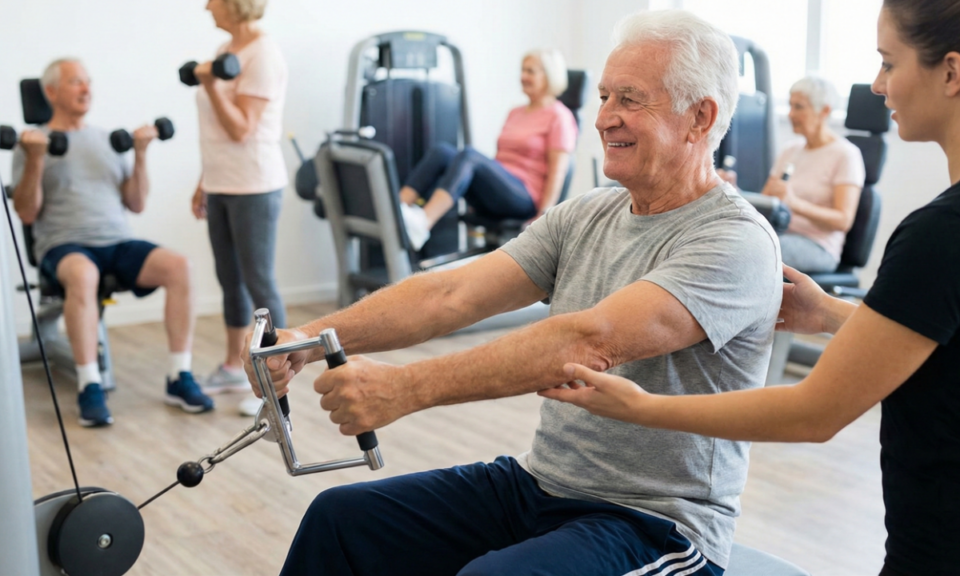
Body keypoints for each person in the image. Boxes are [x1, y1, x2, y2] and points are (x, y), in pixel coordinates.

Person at [248, 11, 781, 575]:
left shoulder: (735, 241)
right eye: (603, 96)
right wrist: (305, 339)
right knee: (341, 519)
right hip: (538, 484)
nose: (604, 118)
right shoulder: (587, 213)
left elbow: (587, 340)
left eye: (630, 99)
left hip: (656, 523)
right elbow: (452, 293)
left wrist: (405, 387)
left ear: (700, 117)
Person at [540, 2, 960, 574]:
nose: (877, 84)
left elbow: (813, 413)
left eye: (889, 63)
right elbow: (952, 336)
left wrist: (645, 407)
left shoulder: (942, 233)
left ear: (951, 73)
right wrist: (834, 314)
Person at [12, 59, 213, 427]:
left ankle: (178, 376)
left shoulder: (107, 139)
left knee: (180, 266)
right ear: (52, 92)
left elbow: (135, 203)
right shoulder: (32, 144)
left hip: (117, 242)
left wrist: (139, 154)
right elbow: (26, 213)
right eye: (76, 83)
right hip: (64, 246)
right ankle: (90, 384)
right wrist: (36, 159)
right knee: (84, 274)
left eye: (88, 81)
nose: (87, 89)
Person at [189, 0, 289, 416]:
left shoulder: (263, 54)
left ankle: (275, 386)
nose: (206, 5)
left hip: (255, 184)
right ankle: (234, 366)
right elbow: (215, 131)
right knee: (230, 280)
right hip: (222, 182)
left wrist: (210, 83)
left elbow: (241, 128)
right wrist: (203, 181)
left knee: (259, 282)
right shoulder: (225, 51)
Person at [397, 49, 578, 250]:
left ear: (549, 76)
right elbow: (500, 161)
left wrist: (545, 214)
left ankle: (423, 223)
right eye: (522, 70)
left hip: (524, 197)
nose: (523, 76)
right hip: (501, 190)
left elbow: (558, 171)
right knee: (442, 152)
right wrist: (479, 188)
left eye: (530, 71)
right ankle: (398, 211)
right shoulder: (516, 112)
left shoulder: (559, 116)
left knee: (470, 156)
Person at [758, 75, 866, 273]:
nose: (790, 114)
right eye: (790, 105)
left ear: (824, 111)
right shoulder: (790, 150)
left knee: (756, 250)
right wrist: (734, 191)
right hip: (780, 234)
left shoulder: (846, 155)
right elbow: (766, 202)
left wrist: (795, 203)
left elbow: (843, 220)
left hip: (818, 246)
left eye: (799, 107)